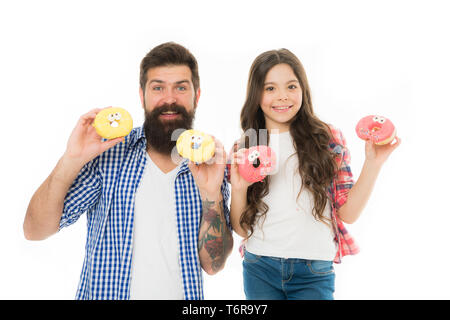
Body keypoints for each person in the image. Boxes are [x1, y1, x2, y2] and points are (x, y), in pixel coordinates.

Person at [23, 42, 233, 300]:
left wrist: (212, 193)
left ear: (196, 96)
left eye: (180, 87)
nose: (169, 98)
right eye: (158, 87)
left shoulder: (211, 164)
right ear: (142, 95)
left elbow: (213, 265)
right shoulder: (108, 155)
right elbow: (34, 230)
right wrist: (71, 159)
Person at [228, 49, 400, 300]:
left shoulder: (327, 139)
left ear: (303, 89)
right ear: (256, 95)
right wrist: (239, 187)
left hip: (313, 270)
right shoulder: (245, 147)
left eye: (291, 86)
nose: (283, 96)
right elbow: (242, 229)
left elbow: (348, 213)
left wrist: (373, 163)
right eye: (270, 88)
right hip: (259, 267)